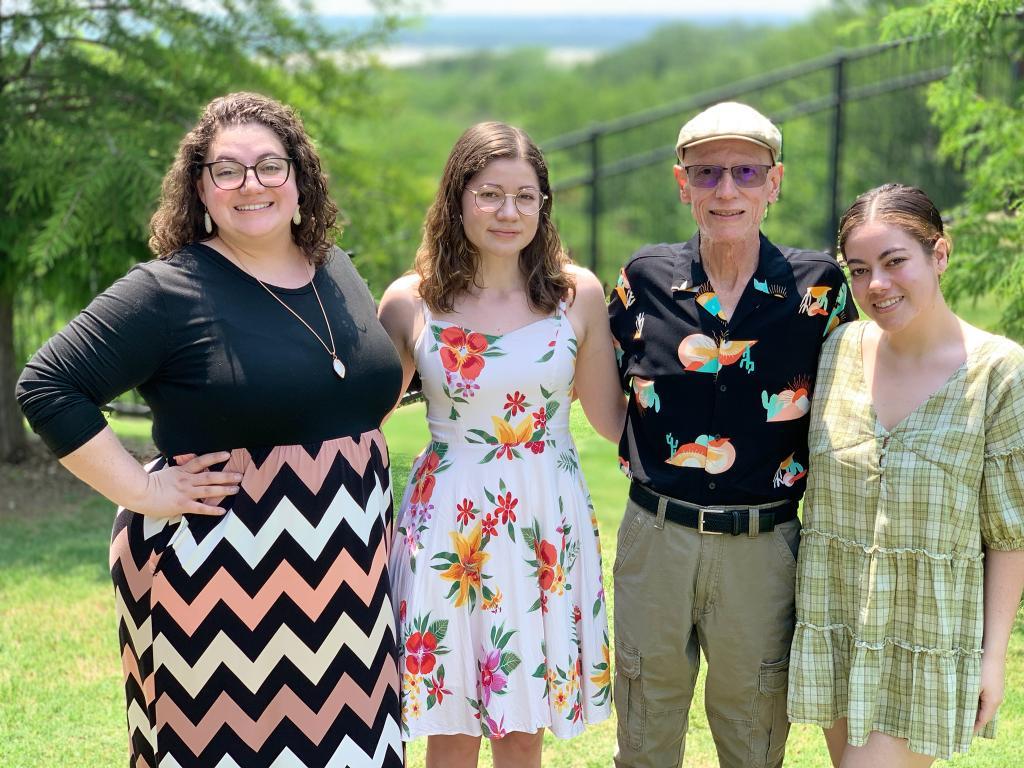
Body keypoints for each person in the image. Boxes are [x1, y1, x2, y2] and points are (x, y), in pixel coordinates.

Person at [16, 92, 404, 767]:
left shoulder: (335, 269)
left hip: (353, 581)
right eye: (227, 170)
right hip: (222, 582)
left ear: (300, 178)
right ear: (200, 187)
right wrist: (144, 490)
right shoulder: (167, 292)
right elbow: (48, 385)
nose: (251, 184)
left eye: (270, 166)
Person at [607, 101, 857, 768]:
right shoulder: (643, 280)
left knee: (753, 738)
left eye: (746, 172)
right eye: (707, 172)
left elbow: (856, 400)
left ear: (775, 182)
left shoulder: (819, 290)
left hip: (762, 547)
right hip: (656, 539)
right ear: (681, 182)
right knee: (644, 733)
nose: (726, 190)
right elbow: (603, 395)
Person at [378, 121, 624, 768]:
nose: (508, 212)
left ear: (544, 204)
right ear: (456, 199)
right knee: (450, 721)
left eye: (524, 196)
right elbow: (361, 420)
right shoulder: (410, 301)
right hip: (448, 519)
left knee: (523, 724)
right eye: (490, 194)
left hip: (545, 515)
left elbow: (611, 420)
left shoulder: (577, 294)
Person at [788, 183, 1024, 766]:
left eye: (895, 262)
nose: (876, 285)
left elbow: (1010, 534)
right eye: (859, 269)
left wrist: (992, 658)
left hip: (928, 640)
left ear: (939, 254)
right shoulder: (837, 351)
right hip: (836, 626)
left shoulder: (1000, 373)